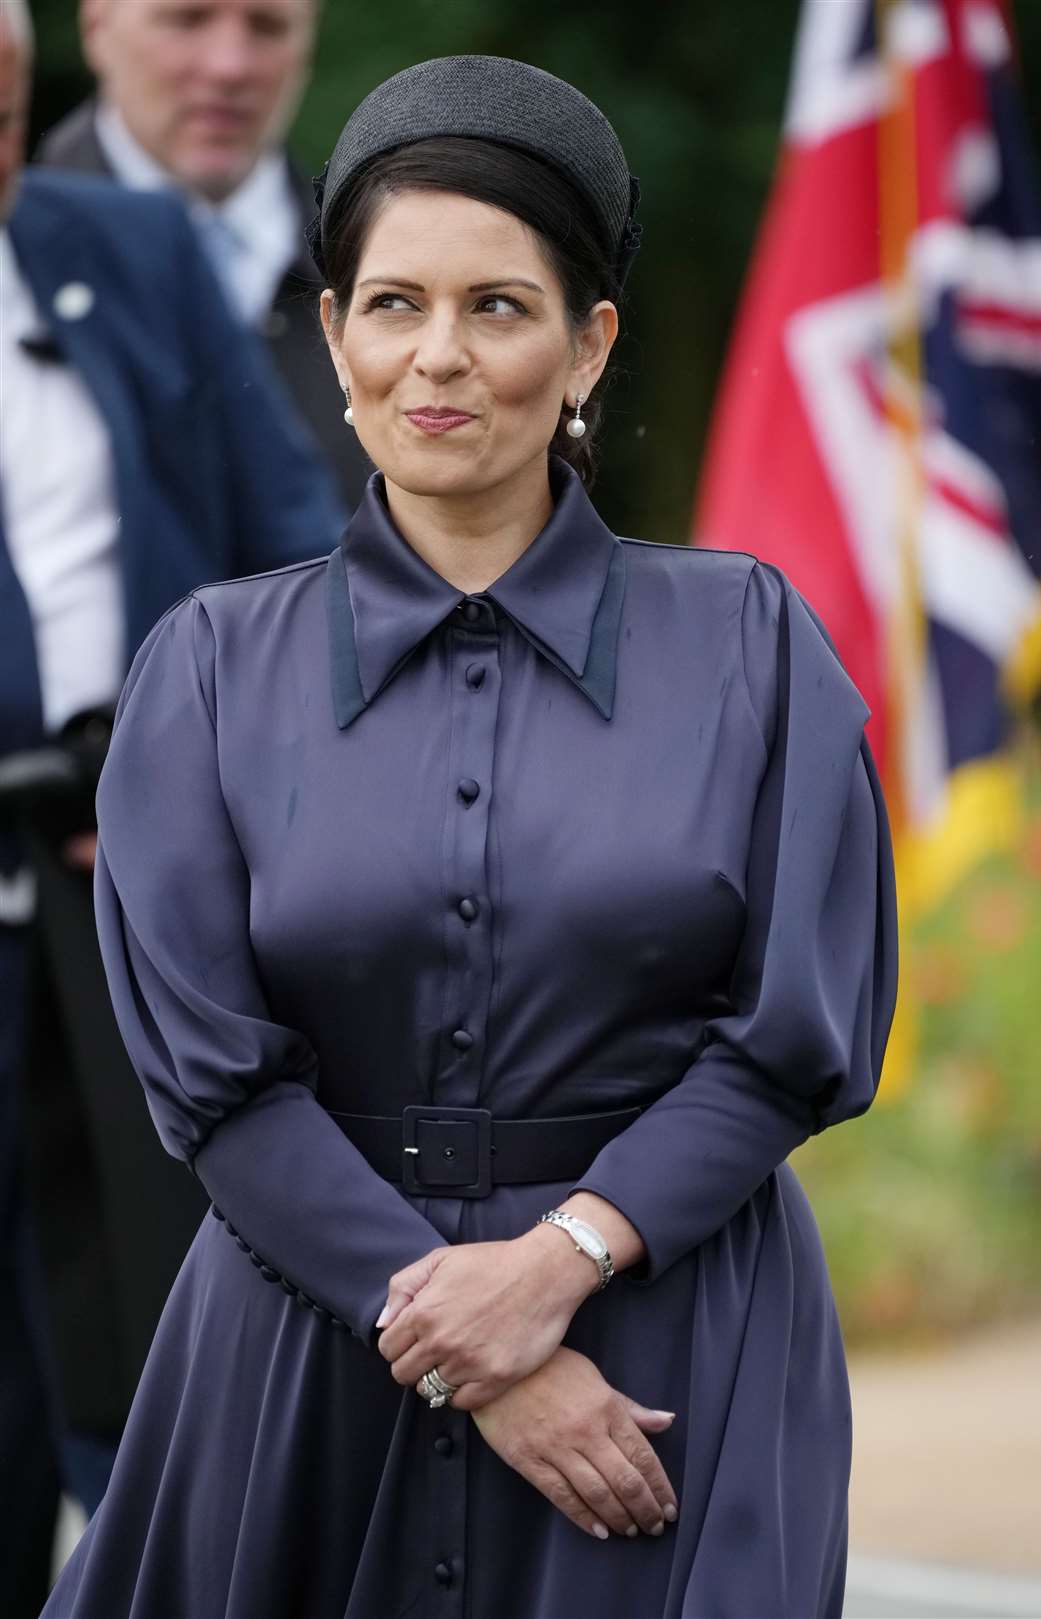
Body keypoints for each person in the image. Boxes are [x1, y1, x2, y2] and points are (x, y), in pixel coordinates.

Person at [43, 56, 897, 1619]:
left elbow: (795, 1033)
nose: (438, 357)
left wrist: (560, 1262)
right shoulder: (206, 672)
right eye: (392, 303)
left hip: (673, 1344)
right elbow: (214, 1080)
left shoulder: (757, 647)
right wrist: (479, 1350)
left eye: (499, 307)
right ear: (333, 335)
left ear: (590, 347)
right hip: (301, 1355)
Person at [0, 0, 342, 1595]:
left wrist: (174, 777)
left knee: (173, 1391)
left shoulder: (121, 250)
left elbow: (304, 564)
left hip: (129, 919)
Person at [37, 0, 371, 509]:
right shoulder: (16, 265)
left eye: (268, 26)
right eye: (187, 19)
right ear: (96, 25)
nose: (230, 66)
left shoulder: (378, 271)